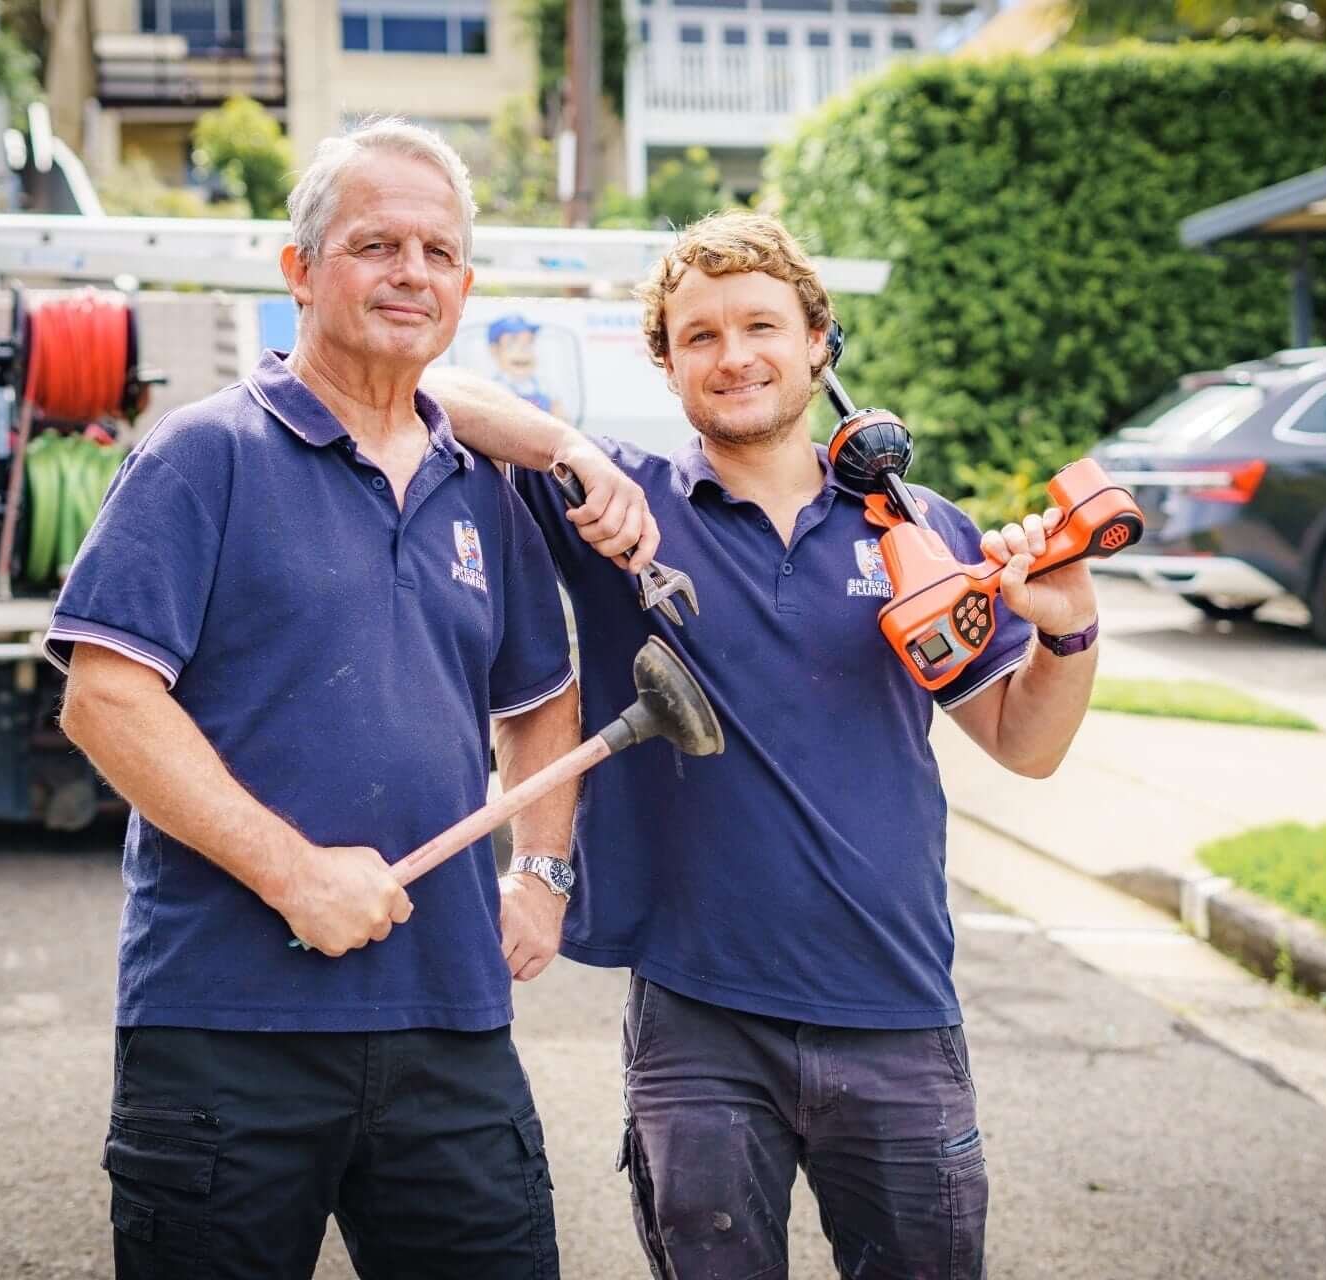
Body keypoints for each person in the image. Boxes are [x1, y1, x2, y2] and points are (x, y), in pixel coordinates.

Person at [424, 209, 1104, 1280]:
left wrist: (1067, 627)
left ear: (818, 343)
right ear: (665, 362)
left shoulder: (919, 530)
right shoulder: (622, 501)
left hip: (895, 1010)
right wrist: (567, 448)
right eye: (699, 335)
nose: (734, 355)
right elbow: (432, 396)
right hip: (699, 1023)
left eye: (761, 325)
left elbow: (1026, 742)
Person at [46, 119, 582, 1280]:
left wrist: (541, 875)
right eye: (376, 243)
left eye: (440, 252)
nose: (412, 273)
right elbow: (105, 697)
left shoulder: (481, 485)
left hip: (450, 1020)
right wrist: (295, 872)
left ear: (467, 287)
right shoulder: (202, 456)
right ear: (298, 269)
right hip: (224, 1029)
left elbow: (543, 699)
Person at [485, 312, 569, 423]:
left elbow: (561, 416)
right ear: (495, 350)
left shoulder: (544, 385)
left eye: (528, 344)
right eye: (512, 344)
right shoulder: (494, 387)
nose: (522, 351)